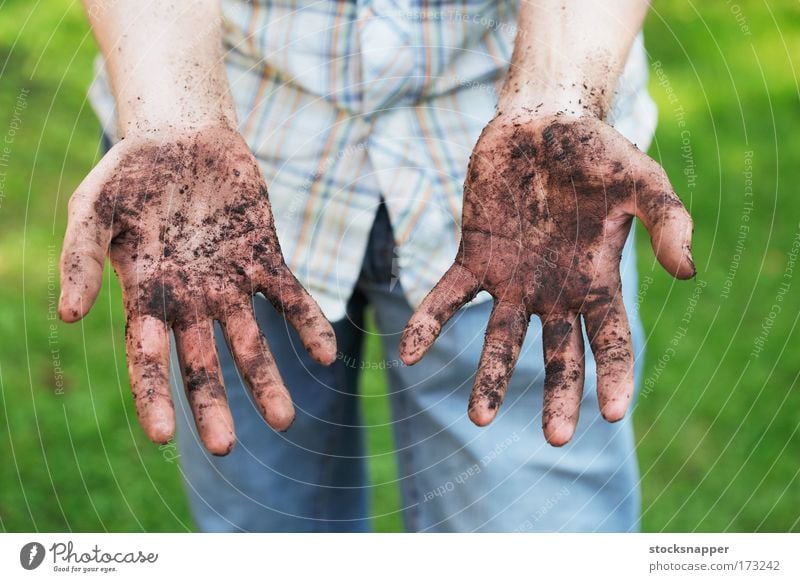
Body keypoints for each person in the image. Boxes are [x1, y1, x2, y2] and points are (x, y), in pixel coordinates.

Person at [61, 0, 695, 532]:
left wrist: (561, 104)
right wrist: (172, 115)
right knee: (262, 533)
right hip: (211, 187)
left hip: (524, 189)